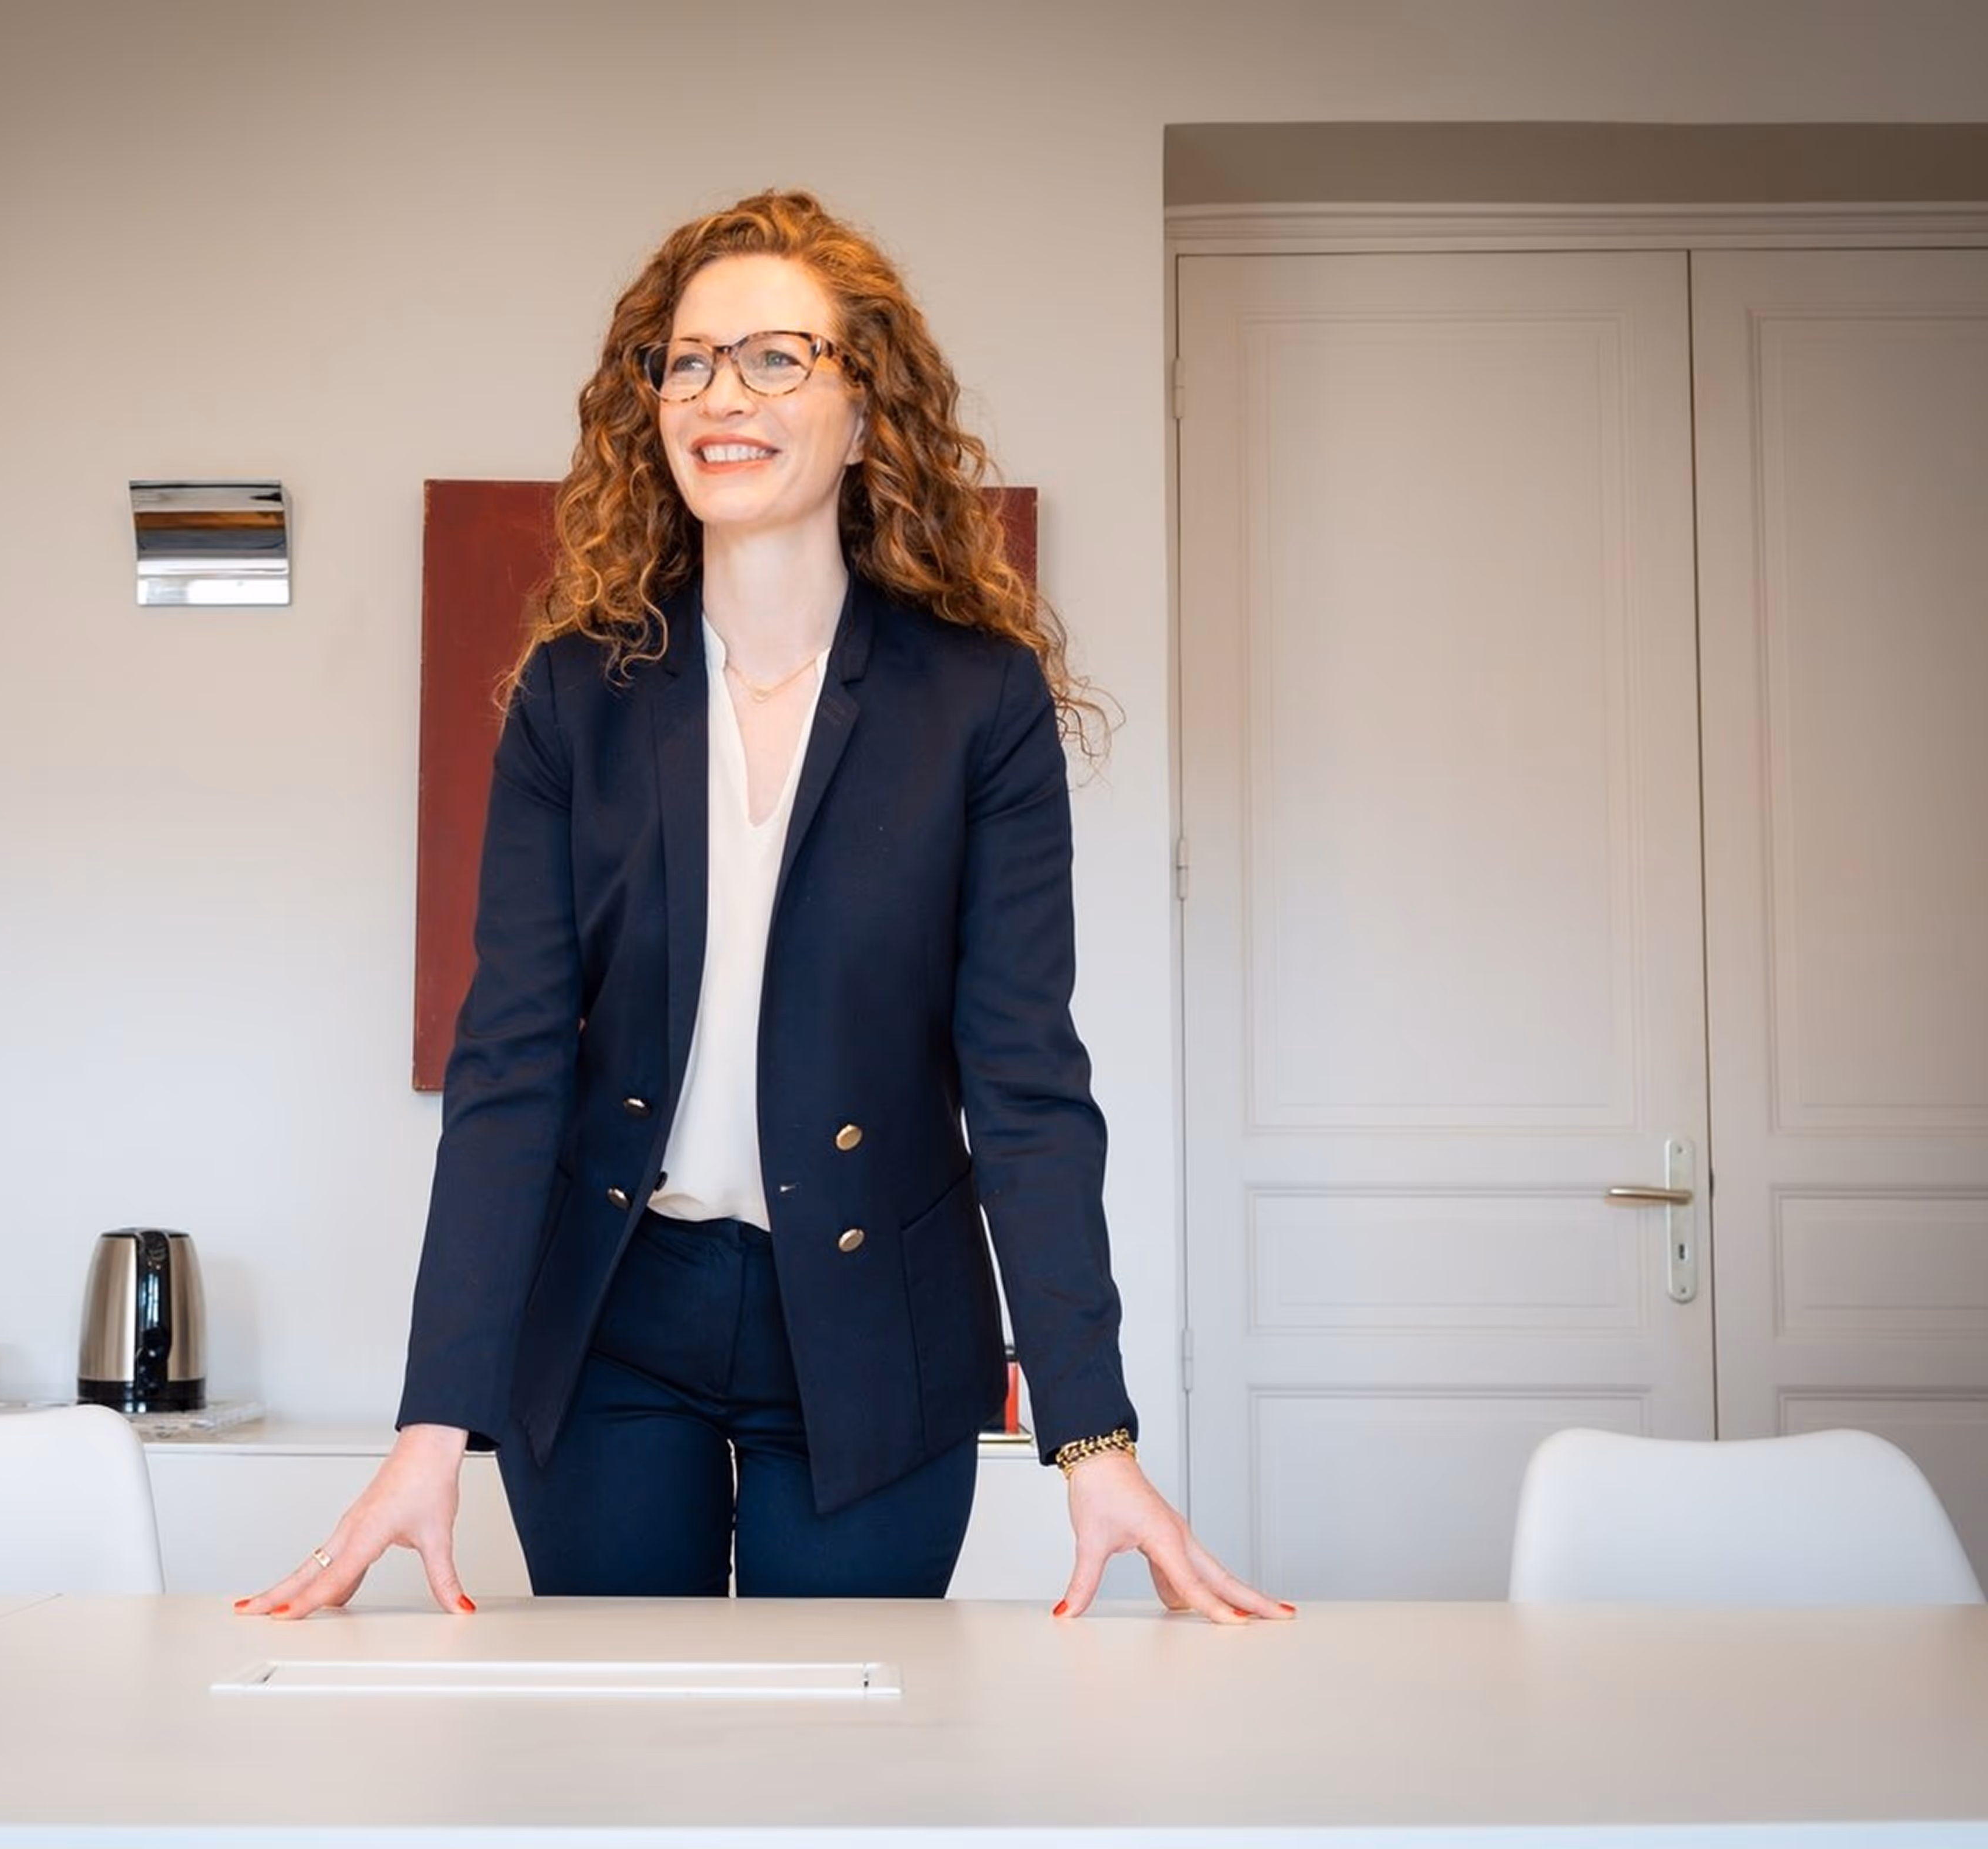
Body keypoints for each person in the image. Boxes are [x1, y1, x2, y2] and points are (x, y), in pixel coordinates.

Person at [240, 190, 1288, 1623]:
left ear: (866, 414)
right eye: (687, 362)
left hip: (874, 1327)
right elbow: (512, 1068)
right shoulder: (573, 697)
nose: (720, 395)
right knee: (620, 1766)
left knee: (847, 1778)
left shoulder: (975, 704)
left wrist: (1092, 1437)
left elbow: (1025, 1080)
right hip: (611, 1322)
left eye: (775, 359)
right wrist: (435, 1424)